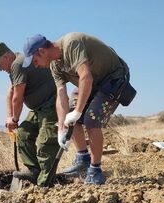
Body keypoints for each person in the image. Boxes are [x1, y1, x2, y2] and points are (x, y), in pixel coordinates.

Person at [22, 32, 135, 185]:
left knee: (90, 119)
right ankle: (83, 159)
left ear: (42, 51)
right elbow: (61, 94)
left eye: (35, 60)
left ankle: (95, 170)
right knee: (69, 116)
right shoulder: (55, 65)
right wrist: (62, 126)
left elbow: (85, 76)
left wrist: (78, 112)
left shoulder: (70, 44)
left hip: (114, 78)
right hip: (93, 84)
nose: (36, 65)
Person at [0, 42, 60, 186]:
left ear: (7, 56)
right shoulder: (16, 65)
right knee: (23, 134)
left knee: (45, 143)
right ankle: (34, 171)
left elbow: (18, 97)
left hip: (51, 105)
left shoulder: (18, 64)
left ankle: (45, 182)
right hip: (38, 109)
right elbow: (10, 93)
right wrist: (10, 117)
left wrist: (15, 119)